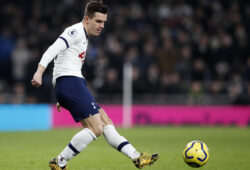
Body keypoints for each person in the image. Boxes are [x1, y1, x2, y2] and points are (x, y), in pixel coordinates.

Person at [31, 1, 159, 170]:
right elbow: (53, 49)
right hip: (70, 82)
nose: (102, 26)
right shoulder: (75, 31)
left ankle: (137, 157)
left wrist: (61, 92)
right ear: (87, 19)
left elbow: (63, 60)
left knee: (105, 121)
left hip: (71, 84)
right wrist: (39, 72)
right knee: (96, 128)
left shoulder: (84, 36)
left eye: (104, 22)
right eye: (98, 21)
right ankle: (59, 162)